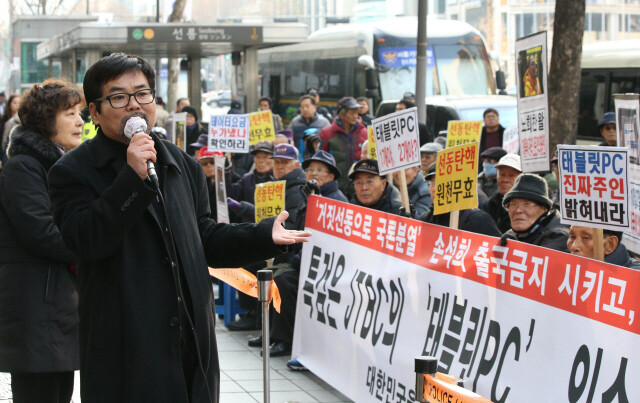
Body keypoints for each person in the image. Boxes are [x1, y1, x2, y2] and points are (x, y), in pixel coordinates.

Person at [47, 53, 311, 402]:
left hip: (190, 336)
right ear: (94, 112)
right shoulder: (72, 171)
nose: (134, 106)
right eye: (119, 97)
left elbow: (204, 237)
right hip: (127, 344)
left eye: (143, 94)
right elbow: (86, 240)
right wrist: (132, 178)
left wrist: (263, 235)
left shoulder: (180, 163)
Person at [0, 78, 84, 402]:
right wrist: (91, 244)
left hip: (54, 305)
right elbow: (42, 233)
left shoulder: (57, 164)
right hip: (35, 307)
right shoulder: (24, 167)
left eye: (80, 113)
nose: (80, 121)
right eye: (70, 113)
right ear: (47, 119)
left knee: (59, 392)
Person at [248, 150, 347, 359]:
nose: (314, 173)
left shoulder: (335, 200)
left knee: (284, 280)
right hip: (304, 258)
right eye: (310, 169)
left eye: (320, 170)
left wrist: (294, 260)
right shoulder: (309, 195)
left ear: (331, 176)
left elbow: (326, 243)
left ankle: (284, 339)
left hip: (325, 266)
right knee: (267, 273)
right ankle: (269, 332)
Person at [421, 162, 501, 237]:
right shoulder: (426, 219)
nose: (435, 189)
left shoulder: (477, 220)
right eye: (432, 184)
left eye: (441, 184)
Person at [501, 174, 569, 252]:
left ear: (544, 209)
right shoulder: (516, 233)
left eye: (527, 204)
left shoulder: (558, 236)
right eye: (513, 204)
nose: (518, 210)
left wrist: (515, 249)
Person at [319, 96, 368, 193]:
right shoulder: (327, 133)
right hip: (335, 187)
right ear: (342, 114)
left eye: (356, 112)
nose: (355, 116)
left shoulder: (364, 132)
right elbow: (321, 160)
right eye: (352, 113)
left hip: (359, 186)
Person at [226, 141, 275, 223]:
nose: (261, 161)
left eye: (265, 157)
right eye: (258, 157)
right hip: (249, 229)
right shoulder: (247, 179)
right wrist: (225, 171)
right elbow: (231, 194)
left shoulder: (278, 180)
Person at [483, 153, 522, 233]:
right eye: (502, 175)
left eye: (511, 175)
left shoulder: (527, 206)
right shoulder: (491, 204)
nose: (505, 180)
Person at [567, 226, 640, 270]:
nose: (574, 246)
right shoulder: (563, 271)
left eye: (586, 238)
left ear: (610, 244)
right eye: (572, 237)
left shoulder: (634, 280)